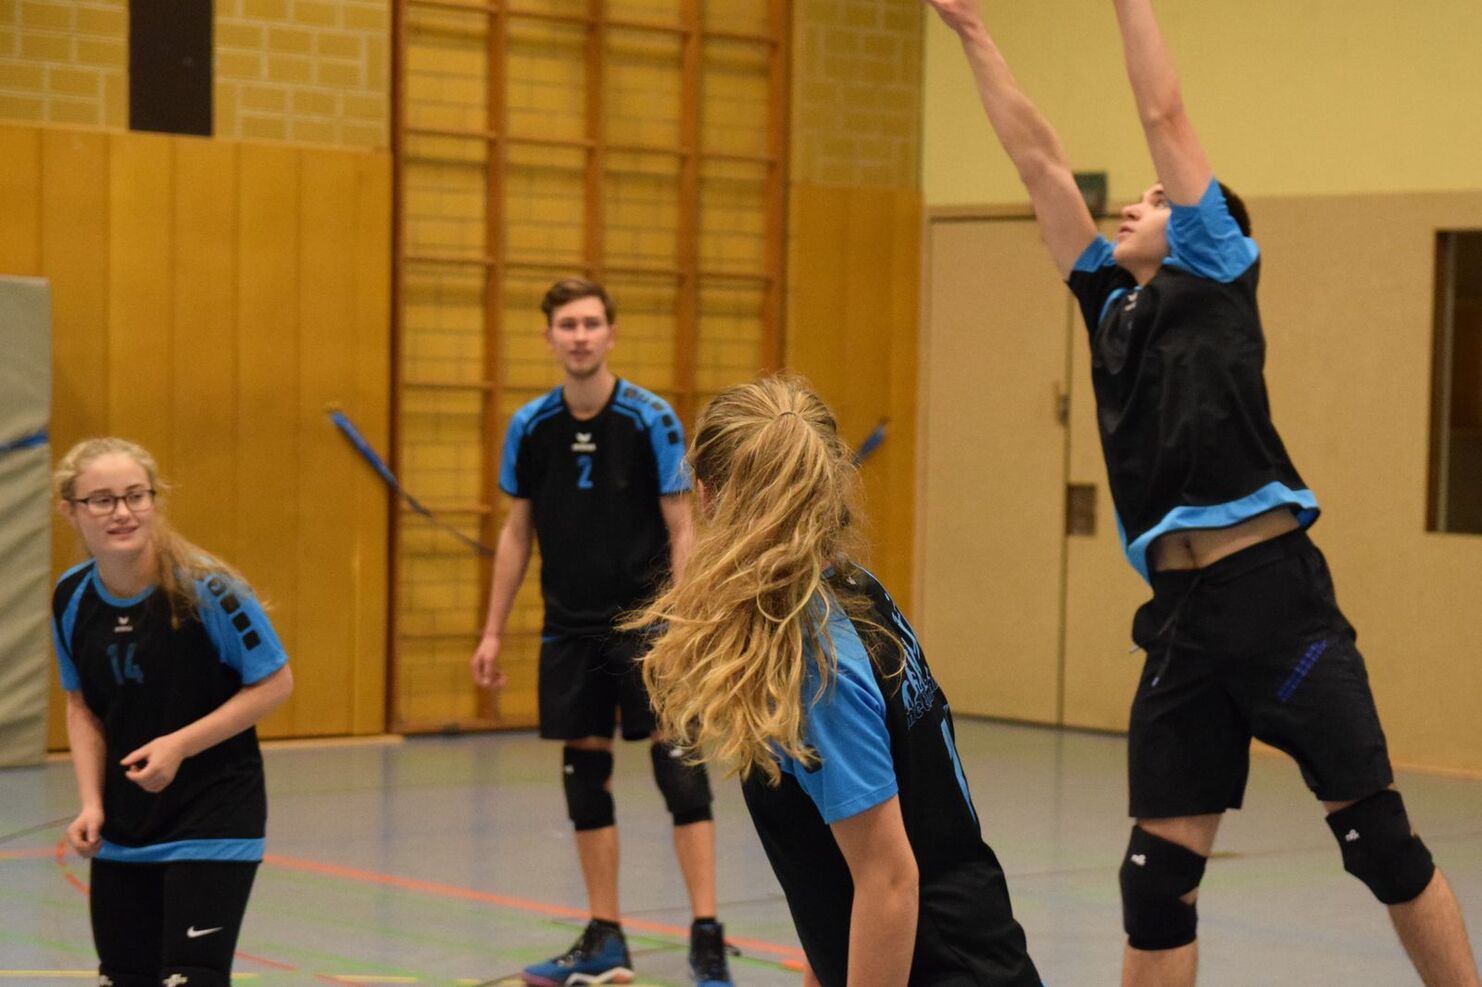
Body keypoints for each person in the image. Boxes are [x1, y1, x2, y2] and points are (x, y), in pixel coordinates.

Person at [926, 1, 1481, 984]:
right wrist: (975, 35)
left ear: (1204, 229)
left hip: (1274, 599)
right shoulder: (1110, 304)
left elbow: (1165, 110)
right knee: (1154, 878)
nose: (1136, 203)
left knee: (1380, 845)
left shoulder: (1218, 267)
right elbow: (1040, 166)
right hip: (1180, 620)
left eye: (1155, 199)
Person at [628, 375, 1041, 987]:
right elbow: (846, 867)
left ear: (708, 495)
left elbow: (889, 880)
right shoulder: (849, 589)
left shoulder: (815, 661)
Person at [469, 277, 732, 987]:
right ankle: (605, 934)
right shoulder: (531, 425)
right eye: (567, 324)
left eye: (591, 323)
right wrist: (492, 631)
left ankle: (707, 935)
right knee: (585, 776)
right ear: (549, 337)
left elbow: (684, 527)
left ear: (611, 333)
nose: (579, 335)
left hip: (650, 628)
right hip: (569, 629)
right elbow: (518, 531)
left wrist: (690, 619)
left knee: (680, 770)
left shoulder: (651, 419)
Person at [52, 437, 294, 987]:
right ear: (70, 510)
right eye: (102, 500)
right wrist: (91, 802)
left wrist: (179, 745)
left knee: (191, 978)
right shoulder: (70, 597)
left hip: (213, 811)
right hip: (125, 823)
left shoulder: (206, 587)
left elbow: (275, 682)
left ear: (155, 501)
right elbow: (81, 705)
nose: (122, 512)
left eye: (136, 496)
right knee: (124, 977)